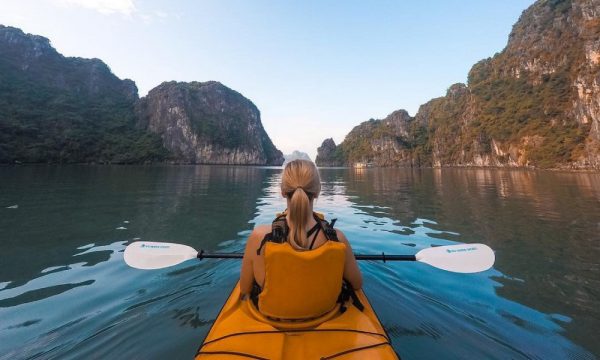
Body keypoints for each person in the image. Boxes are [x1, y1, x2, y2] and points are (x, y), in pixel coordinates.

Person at [239, 159, 362, 320]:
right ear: (317, 192)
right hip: (325, 317)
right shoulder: (338, 239)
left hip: (270, 321)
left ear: (283, 191)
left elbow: (245, 289)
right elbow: (357, 284)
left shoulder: (259, 237)